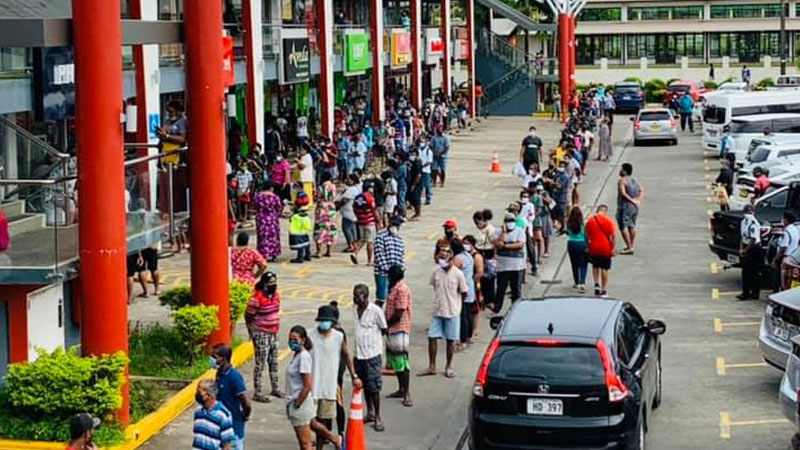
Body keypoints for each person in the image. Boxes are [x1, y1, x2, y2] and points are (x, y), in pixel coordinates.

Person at [308, 304, 359, 447]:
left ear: (332, 322)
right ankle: (334, 438)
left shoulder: (338, 337)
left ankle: (321, 445)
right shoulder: (309, 336)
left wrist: (354, 375)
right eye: (322, 320)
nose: (324, 323)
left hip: (328, 387)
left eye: (327, 321)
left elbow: (346, 355)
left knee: (323, 420)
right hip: (311, 387)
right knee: (309, 421)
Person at [285, 325, 342, 450]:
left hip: (300, 403)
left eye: (295, 339)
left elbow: (307, 385)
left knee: (305, 443)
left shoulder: (303, 357)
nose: (292, 342)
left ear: (303, 340)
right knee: (313, 424)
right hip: (299, 401)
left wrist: (297, 404)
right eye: (290, 339)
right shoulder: (297, 355)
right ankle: (334, 438)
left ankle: (335, 439)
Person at [419, 247, 467, 379]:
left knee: (450, 340)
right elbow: (434, 286)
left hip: (452, 311)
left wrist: (456, 304)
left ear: (450, 259)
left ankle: (448, 366)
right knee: (432, 337)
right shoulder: (436, 271)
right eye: (440, 258)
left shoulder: (458, 274)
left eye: (444, 258)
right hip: (438, 310)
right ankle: (432, 366)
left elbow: (464, 292)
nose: (442, 261)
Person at [352, 283, 388, 431]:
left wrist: (374, 342)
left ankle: (378, 416)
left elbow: (384, 329)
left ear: (366, 296)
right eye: (354, 295)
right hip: (358, 355)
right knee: (364, 385)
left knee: (374, 387)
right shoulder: (355, 309)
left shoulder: (375, 311)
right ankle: (370, 412)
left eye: (358, 295)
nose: (355, 298)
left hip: (372, 355)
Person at [245, 272, 284, 402]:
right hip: (261, 333)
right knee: (260, 362)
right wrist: (251, 331)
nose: (273, 285)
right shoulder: (257, 298)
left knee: (273, 361)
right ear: (264, 284)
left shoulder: (276, 295)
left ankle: (275, 388)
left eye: (275, 282)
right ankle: (258, 392)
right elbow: (248, 315)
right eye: (271, 282)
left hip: (274, 332)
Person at [211, 343, 252, 450]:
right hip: (221, 426)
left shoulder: (233, 376)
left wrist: (245, 415)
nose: (212, 360)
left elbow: (246, 401)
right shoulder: (219, 374)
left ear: (223, 359)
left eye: (215, 357)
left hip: (233, 427)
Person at [384, 264, 413, 407]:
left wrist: (386, 324)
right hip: (392, 330)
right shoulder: (394, 287)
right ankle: (401, 388)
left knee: (402, 361)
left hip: (399, 329)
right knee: (396, 362)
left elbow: (399, 313)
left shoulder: (401, 289)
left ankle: (406, 393)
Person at [487, 213, 526, 313]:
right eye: (508, 221)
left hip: (516, 266)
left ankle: (516, 309)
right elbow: (498, 243)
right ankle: (497, 308)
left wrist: (505, 246)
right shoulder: (497, 231)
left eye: (512, 221)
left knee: (516, 290)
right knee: (501, 289)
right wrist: (504, 233)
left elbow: (519, 244)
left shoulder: (519, 231)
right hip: (502, 266)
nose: (510, 223)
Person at [192, 379, 237, 450]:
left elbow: (227, 445)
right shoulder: (198, 411)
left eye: (199, 391)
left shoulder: (223, 415)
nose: (197, 393)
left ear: (209, 395)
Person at [373, 215, 406, 306]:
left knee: (394, 297)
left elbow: (401, 256)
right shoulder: (380, 236)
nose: (396, 227)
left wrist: (401, 270)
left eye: (397, 225)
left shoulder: (399, 239)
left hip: (395, 274)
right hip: (383, 273)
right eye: (394, 224)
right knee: (381, 297)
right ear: (390, 223)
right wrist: (388, 270)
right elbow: (379, 255)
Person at [585, 204, 617, 297]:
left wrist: (588, 246)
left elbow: (586, 235)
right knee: (604, 268)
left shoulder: (590, 220)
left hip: (594, 247)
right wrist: (613, 248)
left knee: (595, 266)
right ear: (605, 211)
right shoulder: (608, 221)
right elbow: (613, 236)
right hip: (605, 247)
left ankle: (596, 285)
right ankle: (604, 289)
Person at [350, 180, 381, 265]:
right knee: (370, 242)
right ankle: (369, 261)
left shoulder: (357, 197)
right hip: (369, 222)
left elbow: (354, 208)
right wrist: (379, 221)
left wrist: (359, 217)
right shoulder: (370, 198)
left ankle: (354, 253)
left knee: (362, 240)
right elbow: (374, 211)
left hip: (361, 222)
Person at [451, 239, 475, 347]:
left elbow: (452, 273)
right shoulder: (468, 255)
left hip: (462, 289)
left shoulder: (457, 259)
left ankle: (463, 340)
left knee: (463, 315)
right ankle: (469, 336)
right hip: (470, 287)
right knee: (468, 314)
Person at [616, 163, 643, 255]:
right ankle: (631, 245)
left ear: (625, 171)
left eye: (621, 169)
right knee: (631, 225)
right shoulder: (635, 180)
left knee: (623, 226)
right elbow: (641, 190)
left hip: (624, 206)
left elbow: (623, 193)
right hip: (634, 207)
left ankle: (629, 246)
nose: (620, 171)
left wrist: (631, 200)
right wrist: (638, 200)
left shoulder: (622, 181)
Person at [253, 182, 283, 262]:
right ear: (271, 188)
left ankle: (263, 253)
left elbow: (255, 206)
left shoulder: (258, 196)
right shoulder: (275, 197)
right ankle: (273, 253)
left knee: (262, 235)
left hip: (261, 218)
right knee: (273, 235)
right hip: (272, 218)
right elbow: (279, 207)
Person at [739, 203, 763, 301]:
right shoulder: (743, 222)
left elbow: (753, 239)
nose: (748, 214)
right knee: (746, 272)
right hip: (746, 246)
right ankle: (746, 292)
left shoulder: (754, 224)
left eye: (750, 212)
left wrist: (745, 250)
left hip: (754, 248)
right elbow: (743, 237)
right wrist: (741, 248)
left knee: (754, 272)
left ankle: (754, 293)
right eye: (747, 212)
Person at [462, 235, 484, 340]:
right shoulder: (464, 255)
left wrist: (472, 282)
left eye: (467, 243)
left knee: (476, 308)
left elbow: (479, 272)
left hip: (474, 284)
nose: (464, 245)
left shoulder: (476, 256)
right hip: (465, 284)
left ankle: (475, 330)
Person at [313, 172, 338, 258]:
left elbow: (317, 198)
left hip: (322, 209)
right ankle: (329, 251)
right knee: (330, 229)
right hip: (331, 209)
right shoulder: (334, 187)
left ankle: (319, 251)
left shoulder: (321, 187)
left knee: (320, 229)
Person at [775, 211, 800, 290]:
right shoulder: (795, 229)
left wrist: (776, 258)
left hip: (785, 258)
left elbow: (783, 247)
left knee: (782, 281)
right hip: (793, 257)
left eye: (783, 218)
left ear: (786, 220)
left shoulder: (786, 232)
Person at [566, 206, 589, 293]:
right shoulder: (583, 224)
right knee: (583, 264)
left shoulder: (569, 223)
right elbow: (586, 235)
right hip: (581, 243)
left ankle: (576, 282)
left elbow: (567, 233)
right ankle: (582, 282)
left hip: (572, 243)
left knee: (574, 264)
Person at [337, 174, 361, 252]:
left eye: (349, 179)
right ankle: (354, 244)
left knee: (346, 229)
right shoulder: (354, 189)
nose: (347, 180)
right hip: (352, 212)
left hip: (348, 212)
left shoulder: (351, 190)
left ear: (353, 181)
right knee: (352, 228)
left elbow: (345, 200)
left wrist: (337, 206)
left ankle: (350, 245)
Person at [289, 193, 313, 263]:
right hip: (305, 224)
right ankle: (308, 255)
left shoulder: (297, 206)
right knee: (306, 241)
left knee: (300, 244)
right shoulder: (306, 205)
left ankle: (300, 257)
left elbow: (292, 216)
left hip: (297, 227)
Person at [419, 135, 434, 205]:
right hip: (419, 170)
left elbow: (429, 161)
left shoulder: (429, 151)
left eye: (423, 141)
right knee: (420, 185)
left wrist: (422, 166)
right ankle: (419, 198)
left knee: (427, 185)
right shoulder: (418, 150)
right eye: (421, 141)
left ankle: (428, 198)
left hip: (426, 170)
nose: (421, 143)